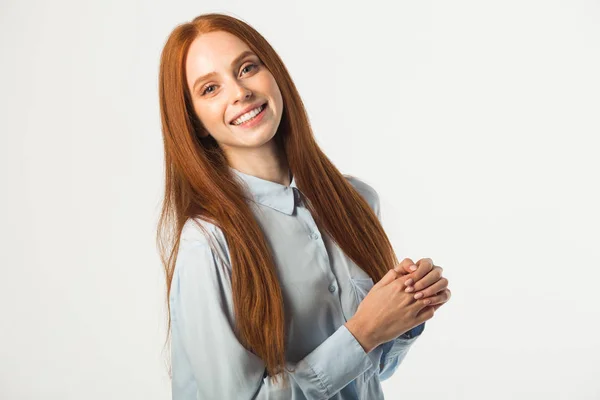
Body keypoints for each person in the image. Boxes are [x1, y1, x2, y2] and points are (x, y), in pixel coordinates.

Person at [156, 12, 451, 400]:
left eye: (247, 68)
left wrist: (407, 310)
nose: (239, 91)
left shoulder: (356, 200)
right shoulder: (208, 244)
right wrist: (362, 333)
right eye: (210, 89)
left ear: (274, 73)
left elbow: (370, 373)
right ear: (195, 122)